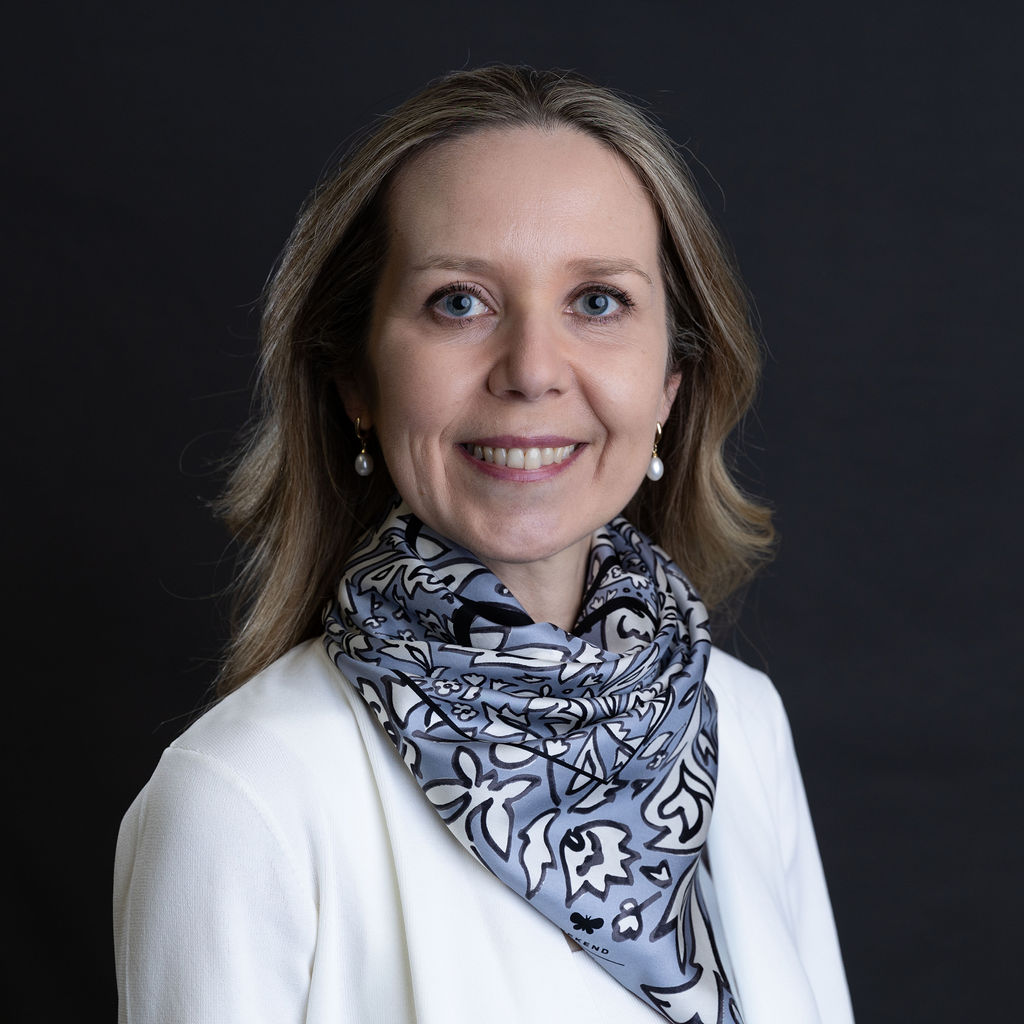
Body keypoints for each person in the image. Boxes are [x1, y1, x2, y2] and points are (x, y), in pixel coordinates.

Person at [114, 66, 855, 1024]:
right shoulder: (243, 802)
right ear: (357, 383)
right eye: (459, 302)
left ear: (671, 382)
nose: (534, 370)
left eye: (598, 301)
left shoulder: (742, 726)